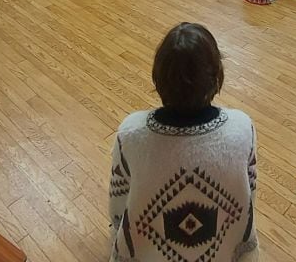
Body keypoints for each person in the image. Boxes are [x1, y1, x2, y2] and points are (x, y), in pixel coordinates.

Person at [109, 23, 258, 260]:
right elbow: (249, 195)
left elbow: (118, 205)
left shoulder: (130, 133)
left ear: (158, 76)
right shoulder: (242, 128)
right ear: (216, 75)